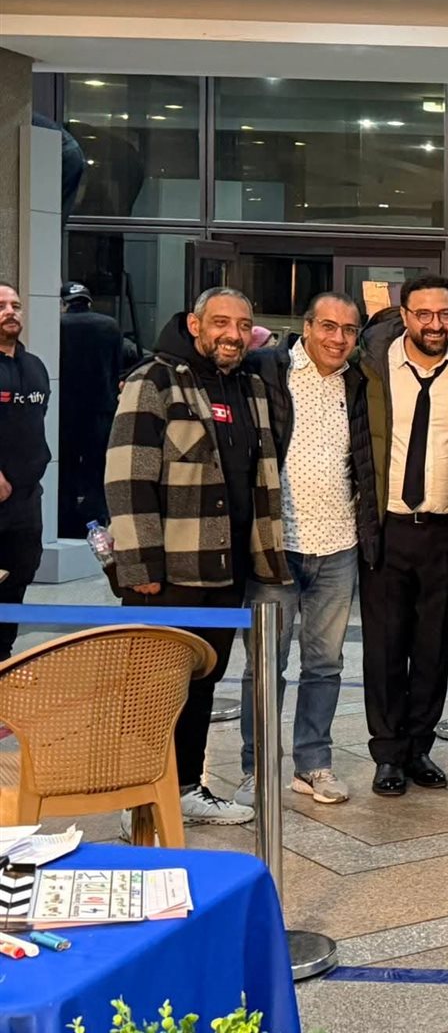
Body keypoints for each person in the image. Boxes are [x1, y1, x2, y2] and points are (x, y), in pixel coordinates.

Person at [106, 286, 288, 826]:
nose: (233, 334)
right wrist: (140, 567)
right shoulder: (153, 380)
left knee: (203, 683)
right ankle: (137, 800)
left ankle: (186, 787)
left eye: (243, 325)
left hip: (226, 569)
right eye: (221, 322)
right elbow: (127, 477)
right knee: (151, 691)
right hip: (168, 574)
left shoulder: (250, 386)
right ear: (195, 324)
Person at [234, 292, 378, 808]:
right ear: (308, 326)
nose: (339, 338)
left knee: (325, 664)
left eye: (350, 330)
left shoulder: (358, 381)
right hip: (275, 546)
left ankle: (312, 763)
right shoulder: (266, 369)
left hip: (338, 546)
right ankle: (255, 769)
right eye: (329, 327)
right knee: (264, 665)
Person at [357, 275, 448, 798]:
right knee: (385, 649)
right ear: (405, 316)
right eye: (425, 314)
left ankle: (418, 748)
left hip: (446, 530)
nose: (436, 324)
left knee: (434, 649)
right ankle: (388, 753)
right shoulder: (370, 365)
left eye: (445, 314)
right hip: (389, 527)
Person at [0, 283, 50, 662]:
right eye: (1, 305)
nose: (10, 311)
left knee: (17, 581)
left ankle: (3, 660)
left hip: (26, 501)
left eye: (16, 305)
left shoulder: (35, 367)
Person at [58, 281, 122, 537]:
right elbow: (117, 366)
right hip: (101, 408)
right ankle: (96, 520)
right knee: (98, 468)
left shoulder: (59, 326)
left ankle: (66, 521)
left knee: (66, 467)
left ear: (64, 303)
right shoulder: (110, 325)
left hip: (66, 409)